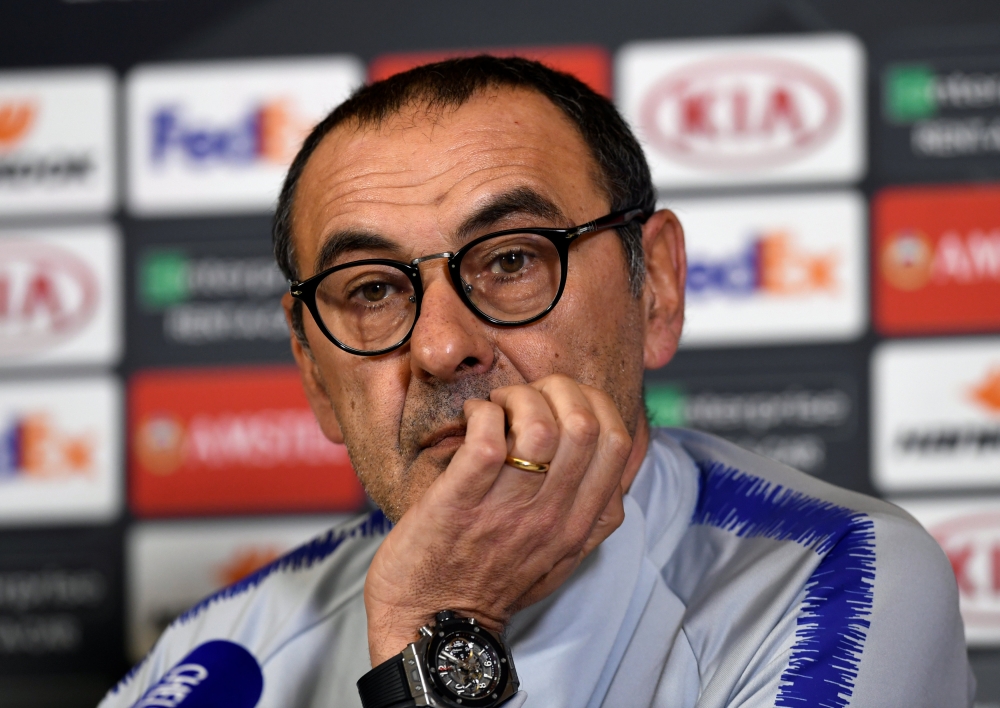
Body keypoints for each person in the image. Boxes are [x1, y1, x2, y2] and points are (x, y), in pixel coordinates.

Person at [100, 56, 973, 708]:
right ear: (315, 376)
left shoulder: (841, 583)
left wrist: (439, 628)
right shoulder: (227, 650)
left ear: (656, 289)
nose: (441, 346)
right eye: (371, 290)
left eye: (512, 260)